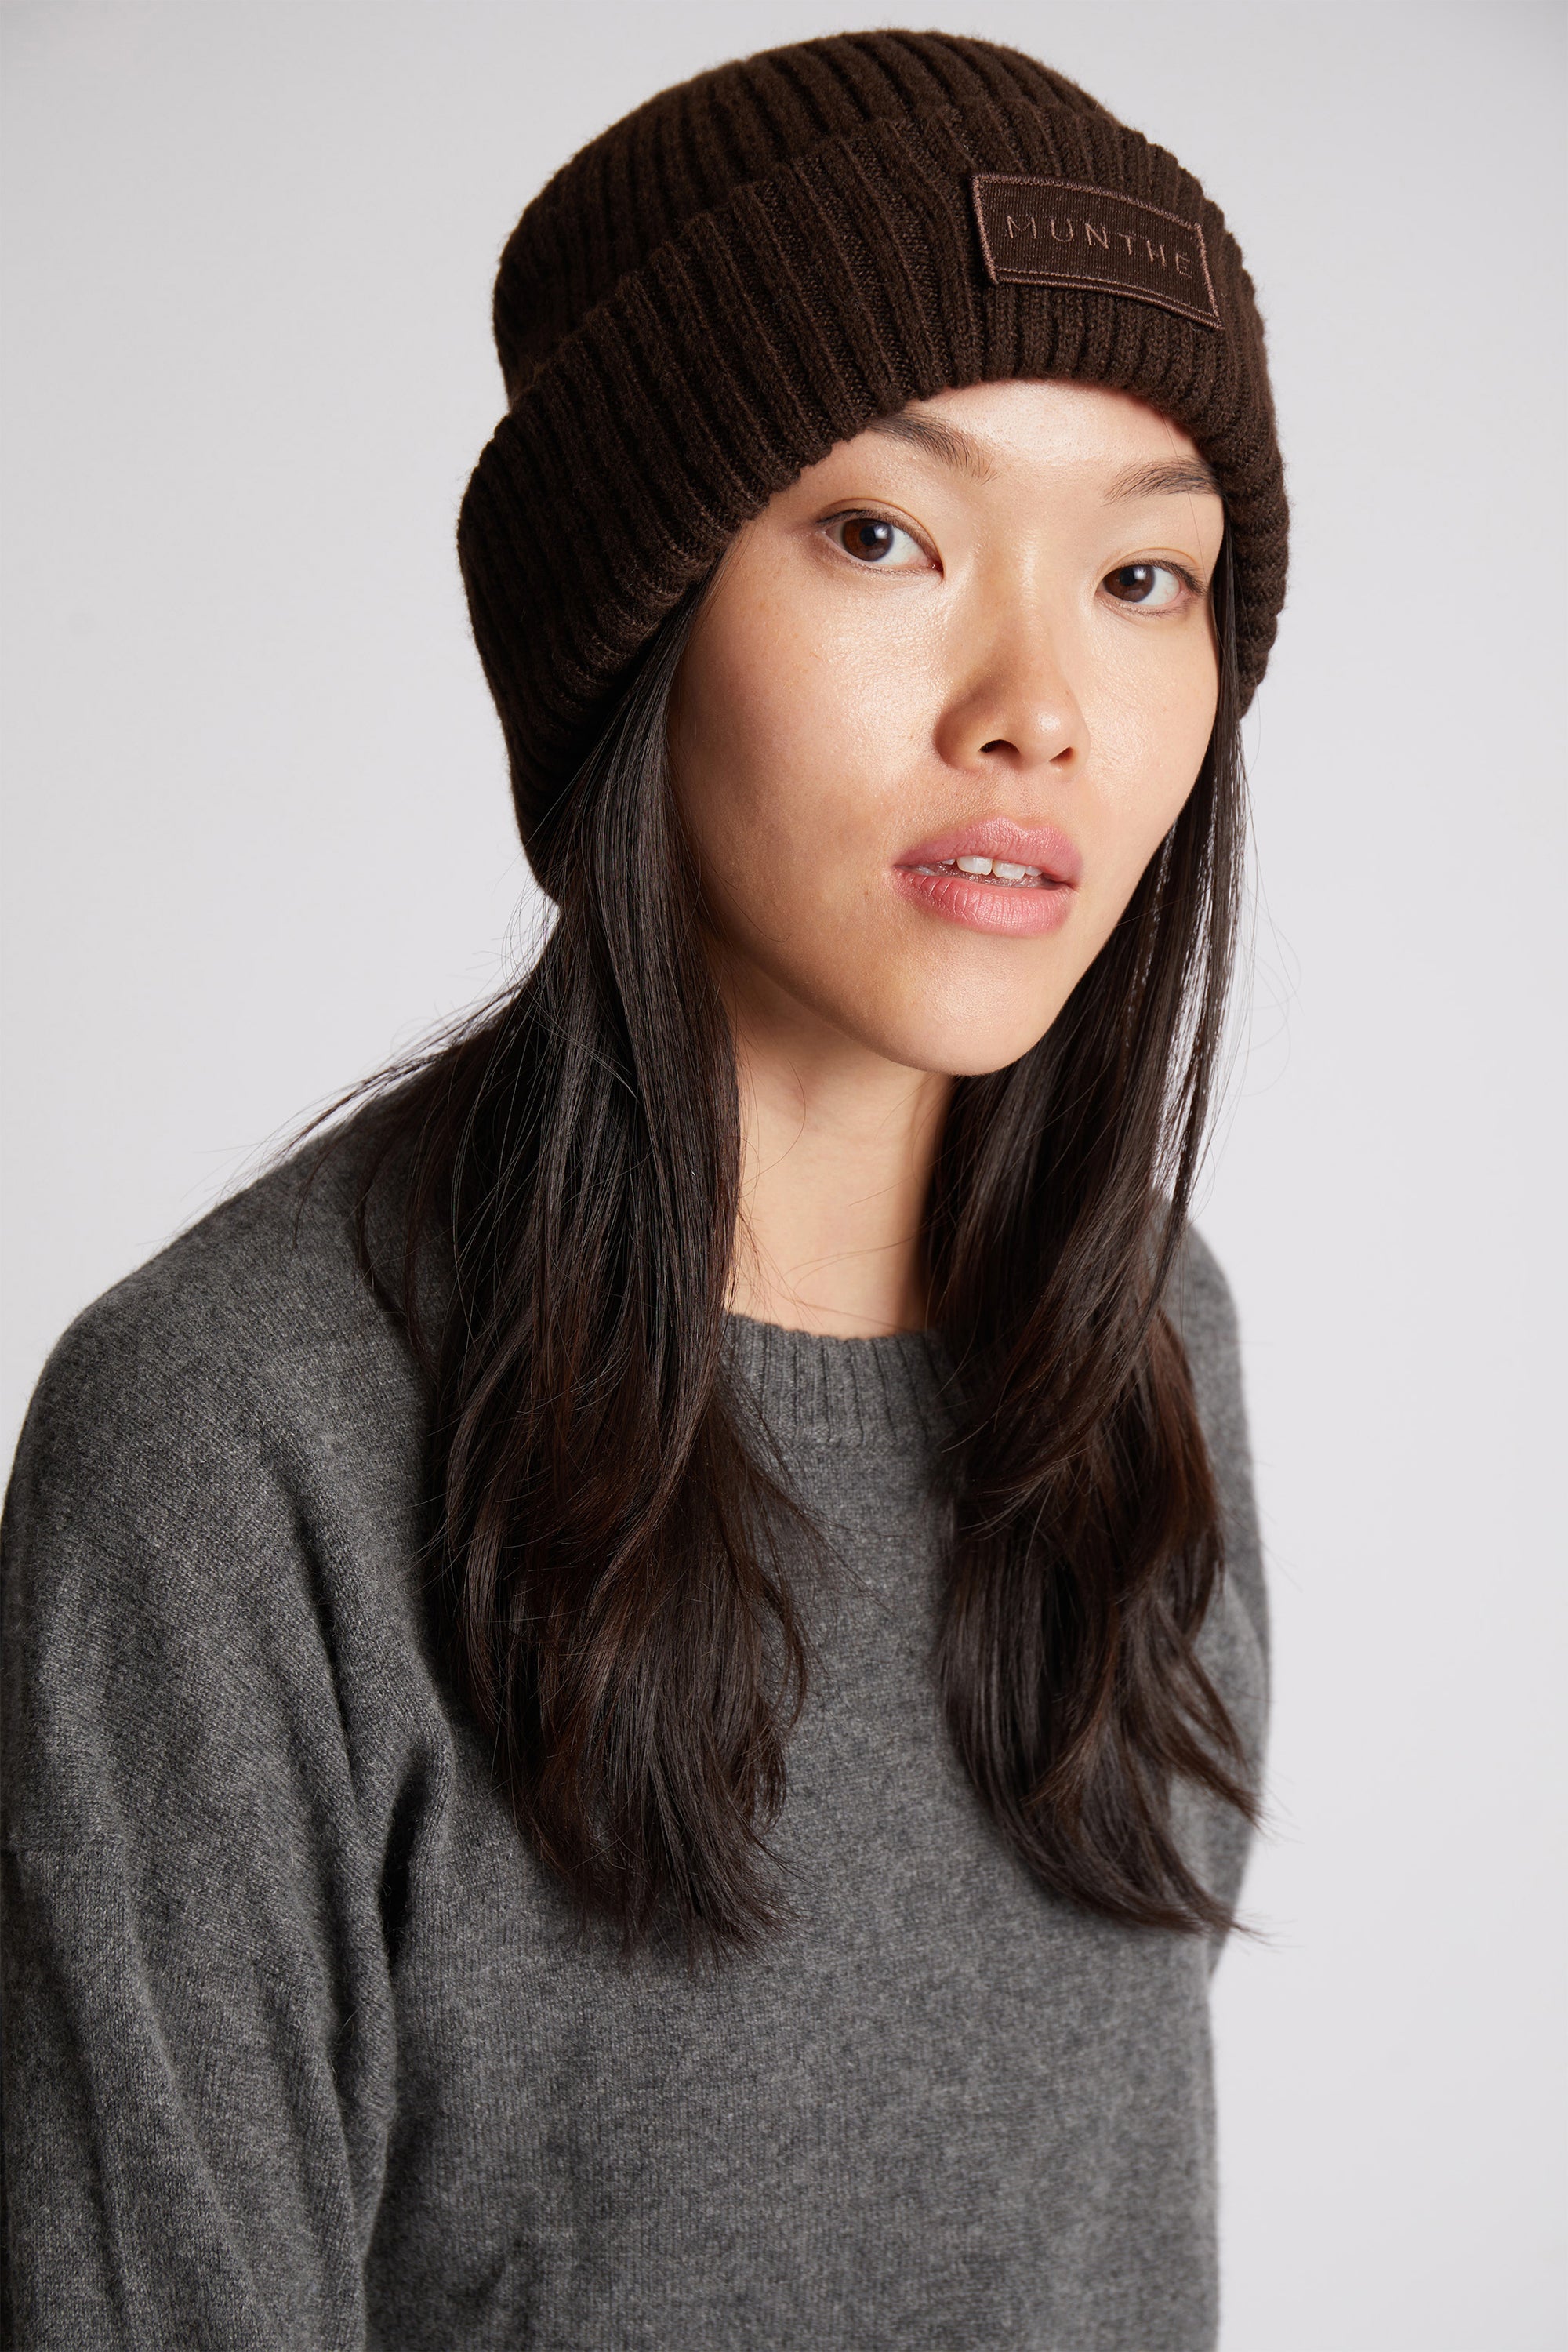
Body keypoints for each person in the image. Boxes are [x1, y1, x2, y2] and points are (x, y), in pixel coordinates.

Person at [1, 31, 1287, 2351]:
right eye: (884, 536)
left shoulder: (1139, 1344)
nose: (1039, 706)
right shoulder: (237, 1446)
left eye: (1144, 573)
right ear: (638, 613)